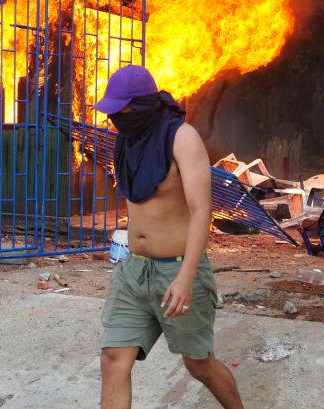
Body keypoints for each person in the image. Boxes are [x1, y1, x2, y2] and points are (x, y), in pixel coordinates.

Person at [95, 65, 244, 409]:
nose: (117, 117)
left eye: (123, 110)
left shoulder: (182, 137)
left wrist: (187, 277)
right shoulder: (127, 141)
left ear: (144, 106)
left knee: (199, 365)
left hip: (176, 271)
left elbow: (201, 210)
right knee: (113, 360)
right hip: (134, 271)